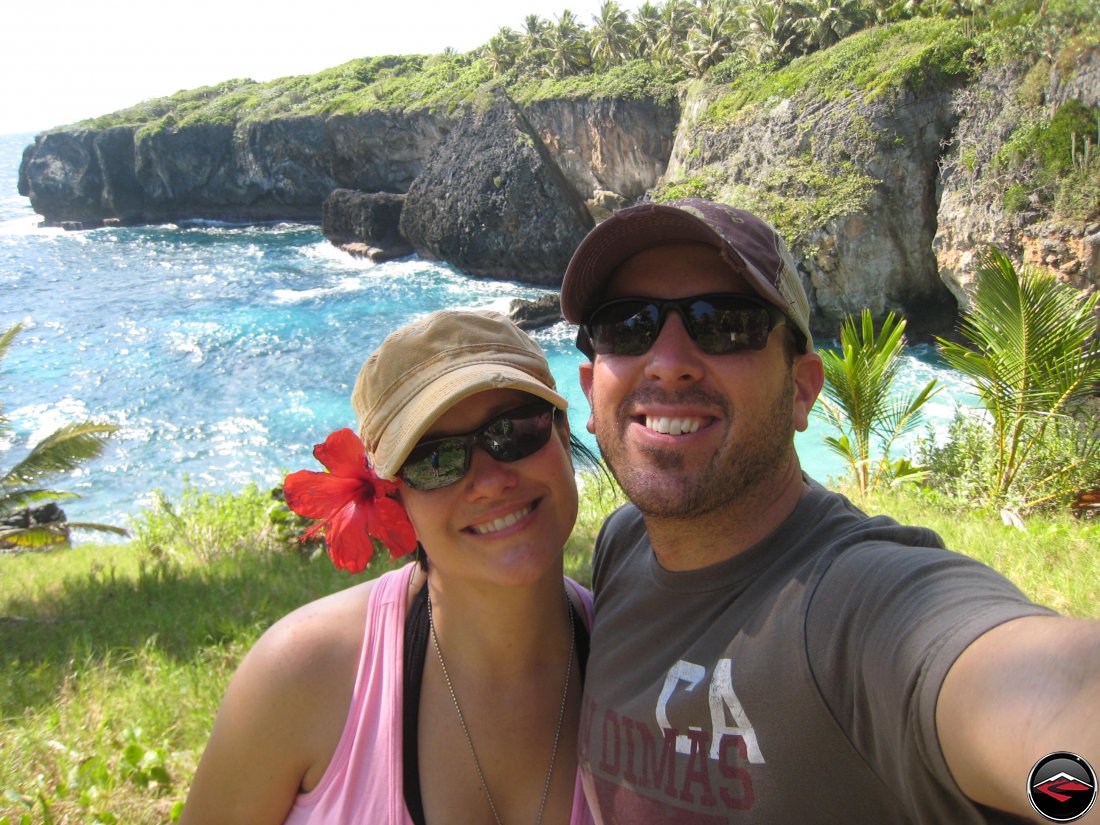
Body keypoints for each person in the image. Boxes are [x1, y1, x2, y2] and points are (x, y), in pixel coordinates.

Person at [558, 198, 1100, 824]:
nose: (670, 360)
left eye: (726, 323)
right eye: (628, 326)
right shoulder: (623, 545)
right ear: (591, 391)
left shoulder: (857, 606)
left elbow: (1044, 695)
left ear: (801, 390)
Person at [180, 309, 598, 825]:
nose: (490, 481)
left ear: (560, 430)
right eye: (433, 459)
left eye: (512, 431)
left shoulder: (642, 666)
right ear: (395, 497)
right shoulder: (301, 677)